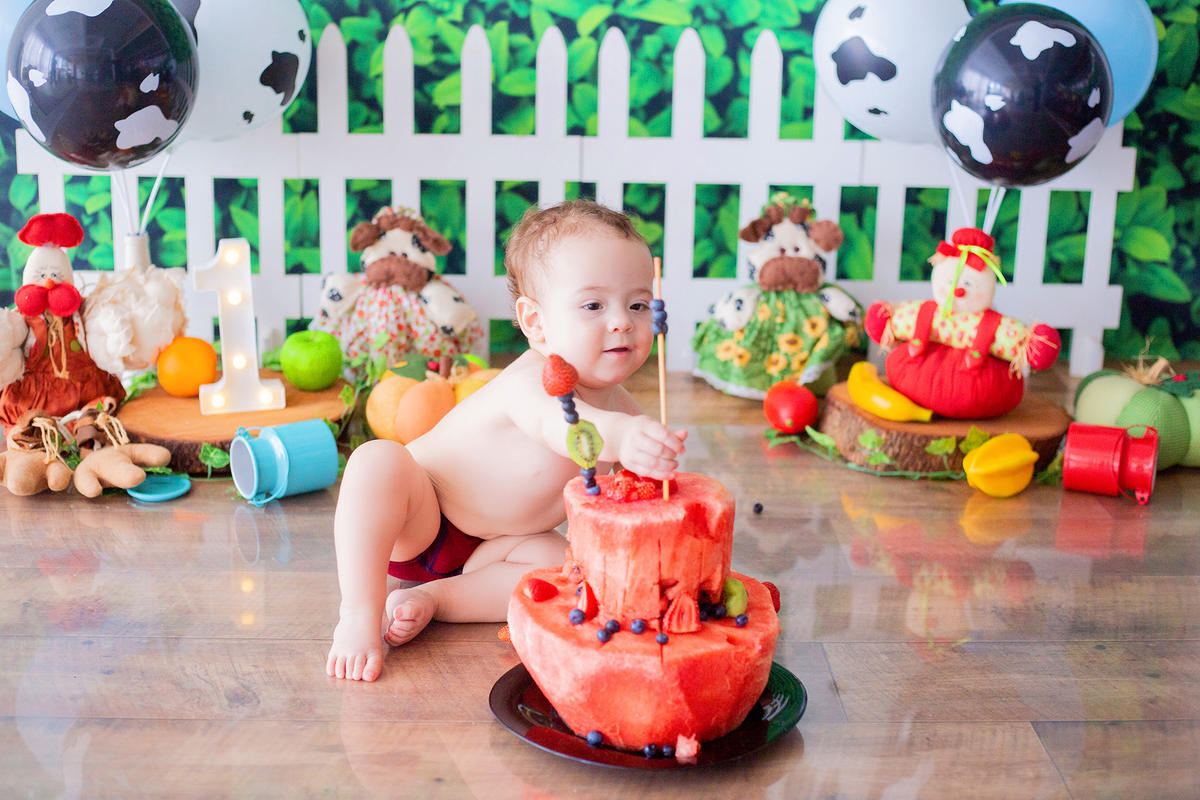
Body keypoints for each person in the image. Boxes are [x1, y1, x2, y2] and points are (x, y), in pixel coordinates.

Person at [327, 200, 689, 681]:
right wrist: (624, 438)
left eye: (638, 304)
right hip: (420, 516)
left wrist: (656, 479)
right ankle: (358, 612)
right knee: (378, 461)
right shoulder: (533, 381)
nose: (622, 321)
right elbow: (559, 424)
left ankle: (435, 599)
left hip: (495, 551)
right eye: (593, 305)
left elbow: (629, 513)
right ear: (536, 323)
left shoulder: (625, 413)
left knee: (564, 570)